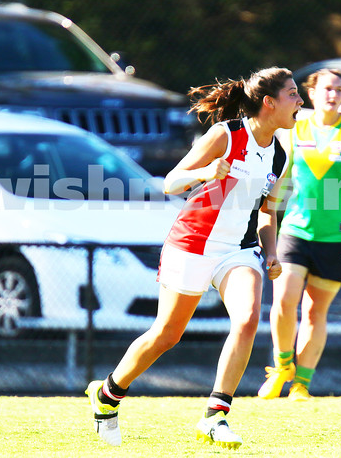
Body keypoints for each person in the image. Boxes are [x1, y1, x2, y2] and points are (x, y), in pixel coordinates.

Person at [85, 67, 302, 449]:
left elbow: (269, 211)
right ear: (269, 103)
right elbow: (171, 181)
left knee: (248, 319)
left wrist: (270, 252)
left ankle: (215, 416)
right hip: (193, 244)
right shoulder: (226, 135)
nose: (300, 101)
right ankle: (107, 394)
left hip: (239, 249)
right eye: (293, 94)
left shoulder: (280, 155)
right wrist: (205, 171)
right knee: (167, 335)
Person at [258, 68, 341, 401]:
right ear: (311, 93)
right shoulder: (296, 131)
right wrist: (268, 216)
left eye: (339, 89)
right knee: (283, 300)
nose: (333, 94)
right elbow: (279, 180)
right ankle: (282, 366)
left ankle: (301, 384)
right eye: (327, 88)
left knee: (314, 311)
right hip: (296, 229)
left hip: (339, 237)